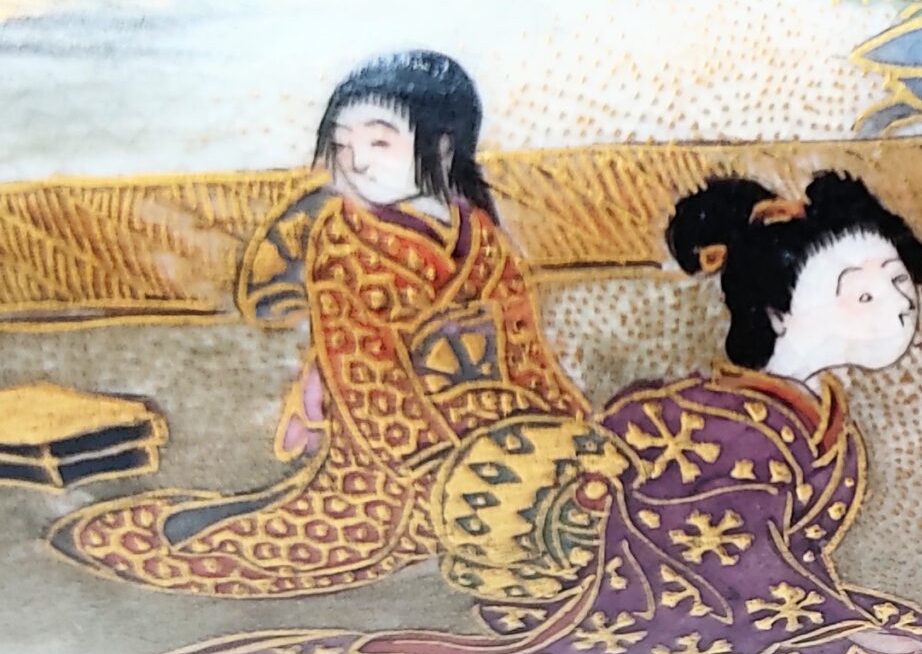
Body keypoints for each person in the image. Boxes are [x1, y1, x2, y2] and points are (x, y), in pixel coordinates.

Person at [85, 172, 922, 654]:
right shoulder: (731, 429)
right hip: (612, 576)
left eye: (896, 286)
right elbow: (735, 557)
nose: (896, 306)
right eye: (861, 292)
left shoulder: (807, 412)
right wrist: (840, 625)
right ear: (778, 309)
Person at [53, 52, 582, 599]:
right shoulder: (342, 241)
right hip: (392, 456)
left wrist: (568, 430)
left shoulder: (483, 238)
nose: (356, 162)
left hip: (497, 432)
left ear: (444, 145)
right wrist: (444, 464)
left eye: (378, 142)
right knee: (395, 532)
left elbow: (526, 355)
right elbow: (367, 378)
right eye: (343, 143)